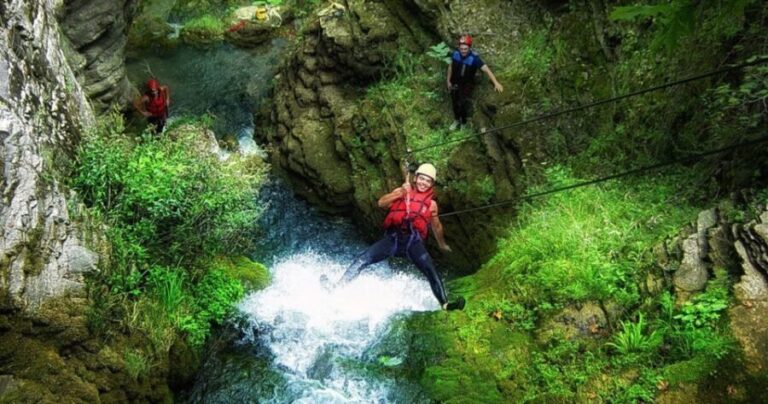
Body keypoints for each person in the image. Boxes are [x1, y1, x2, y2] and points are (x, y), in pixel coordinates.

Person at [339, 163, 466, 311]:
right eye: (421, 179)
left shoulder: (432, 205)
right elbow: (381, 203)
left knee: (431, 270)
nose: (423, 183)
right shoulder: (402, 190)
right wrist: (398, 194)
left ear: (432, 184)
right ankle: (339, 286)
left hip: (413, 243)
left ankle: (445, 304)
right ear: (416, 178)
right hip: (393, 239)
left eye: (428, 181)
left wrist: (442, 244)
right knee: (363, 258)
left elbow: (436, 226)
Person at [446, 34, 503, 130]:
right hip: (455, 82)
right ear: (459, 47)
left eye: (465, 49)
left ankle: (463, 122)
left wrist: (496, 83)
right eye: (461, 48)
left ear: (469, 48)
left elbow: (486, 70)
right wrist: (448, 81)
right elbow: (450, 67)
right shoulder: (455, 54)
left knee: (462, 104)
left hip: (466, 85)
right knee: (455, 102)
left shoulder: (474, 59)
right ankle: (456, 120)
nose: (463, 51)